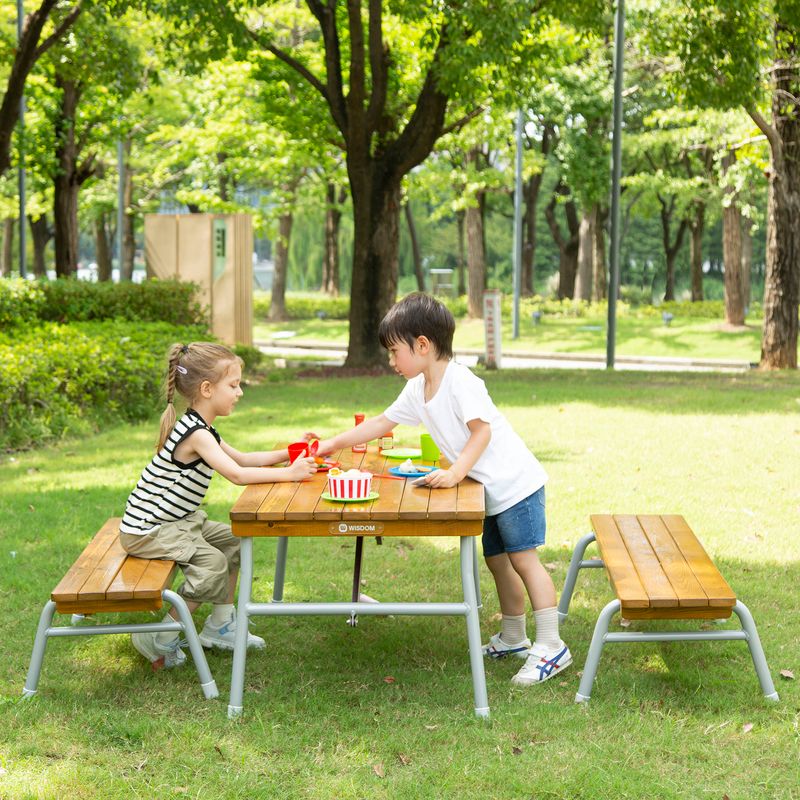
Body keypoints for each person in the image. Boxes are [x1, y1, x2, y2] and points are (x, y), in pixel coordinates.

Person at [316, 293, 571, 685]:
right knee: (498, 562)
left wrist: (454, 474)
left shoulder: (460, 380)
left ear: (422, 345)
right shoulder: (418, 388)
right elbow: (383, 423)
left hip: (516, 486)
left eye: (394, 351)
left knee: (524, 561)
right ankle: (515, 636)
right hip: (489, 491)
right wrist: (333, 443)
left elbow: (481, 431)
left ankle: (552, 645)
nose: (391, 361)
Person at [119, 342, 316, 670]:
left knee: (236, 543)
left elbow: (243, 458)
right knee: (212, 564)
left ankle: (220, 625)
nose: (239, 392)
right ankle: (160, 635)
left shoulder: (203, 427)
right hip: (149, 529)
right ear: (207, 389)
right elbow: (237, 474)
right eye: (234, 385)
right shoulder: (196, 435)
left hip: (177, 521)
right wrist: (289, 475)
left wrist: (290, 452)